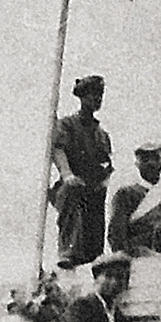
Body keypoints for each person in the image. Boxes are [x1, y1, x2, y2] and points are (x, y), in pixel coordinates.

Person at [52, 74, 115, 270]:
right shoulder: (67, 125)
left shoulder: (102, 134)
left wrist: (104, 181)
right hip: (69, 186)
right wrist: (67, 175)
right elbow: (58, 149)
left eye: (100, 95)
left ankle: (94, 256)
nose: (97, 99)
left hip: (93, 187)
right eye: (92, 95)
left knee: (99, 200)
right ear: (82, 97)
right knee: (74, 191)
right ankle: (68, 251)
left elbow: (107, 165)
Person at [107, 140, 161, 256]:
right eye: (145, 159)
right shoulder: (127, 194)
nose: (151, 163)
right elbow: (117, 237)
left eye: (156, 158)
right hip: (140, 258)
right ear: (137, 164)